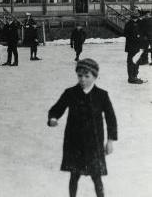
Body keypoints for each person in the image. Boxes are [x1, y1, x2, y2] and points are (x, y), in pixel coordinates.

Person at [48, 58, 117, 197]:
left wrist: (110, 141)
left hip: (94, 144)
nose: (83, 79)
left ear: (95, 76)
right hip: (74, 143)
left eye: (87, 76)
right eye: (80, 75)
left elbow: (111, 118)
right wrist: (53, 118)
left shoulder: (102, 95)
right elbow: (57, 108)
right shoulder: (70, 93)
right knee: (74, 176)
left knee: (96, 177)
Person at [123, 12, 145, 84]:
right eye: (135, 17)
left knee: (137, 62)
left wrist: (140, 37)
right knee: (131, 62)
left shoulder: (140, 23)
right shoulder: (129, 24)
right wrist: (136, 36)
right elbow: (125, 34)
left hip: (138, 46)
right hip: (132, 47)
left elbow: (143, 32)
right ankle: (131, 78)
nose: (136, 18)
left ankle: (134, 76)